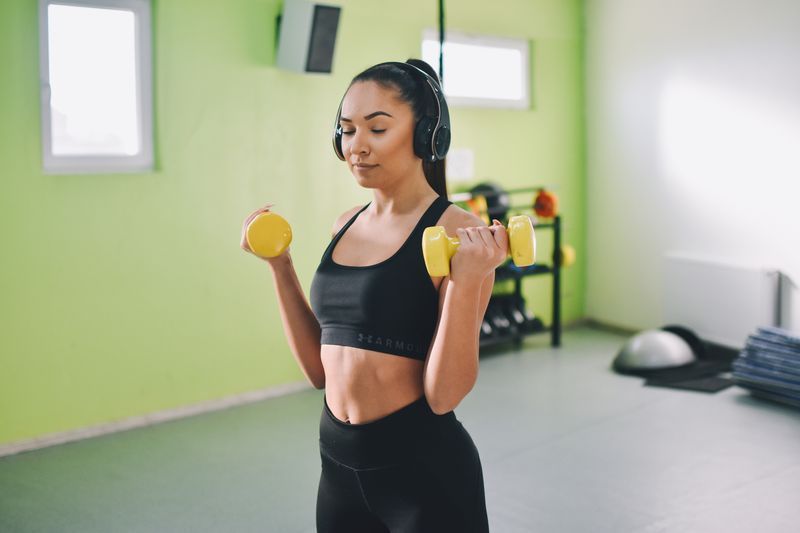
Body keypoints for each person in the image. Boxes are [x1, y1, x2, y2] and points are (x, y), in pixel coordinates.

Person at [241, 59, 507, 532]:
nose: (356, 146)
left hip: (424, 476)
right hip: (338, 469)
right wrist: (280, 265)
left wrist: (467, 281)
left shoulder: (458, 234)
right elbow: (319, 371)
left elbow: (444, 396)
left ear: (426, 136)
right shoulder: (345, 224)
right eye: (345, 130)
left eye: (377, 129)